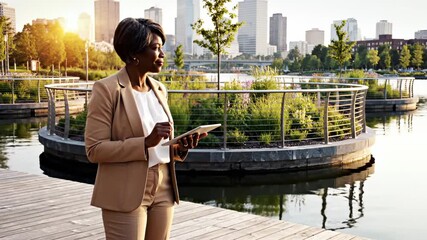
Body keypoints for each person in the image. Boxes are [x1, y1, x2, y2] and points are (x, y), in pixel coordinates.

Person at [84, 18, 206, 240]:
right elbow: (95, 150)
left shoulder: (160, 89)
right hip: (125, 190)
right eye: (155, 48)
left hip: (164, 186)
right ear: (134, 54)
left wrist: (181, 147)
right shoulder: (107, 90)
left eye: (162, 48)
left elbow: (162, 146)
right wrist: (144, 143)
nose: (162, 55)